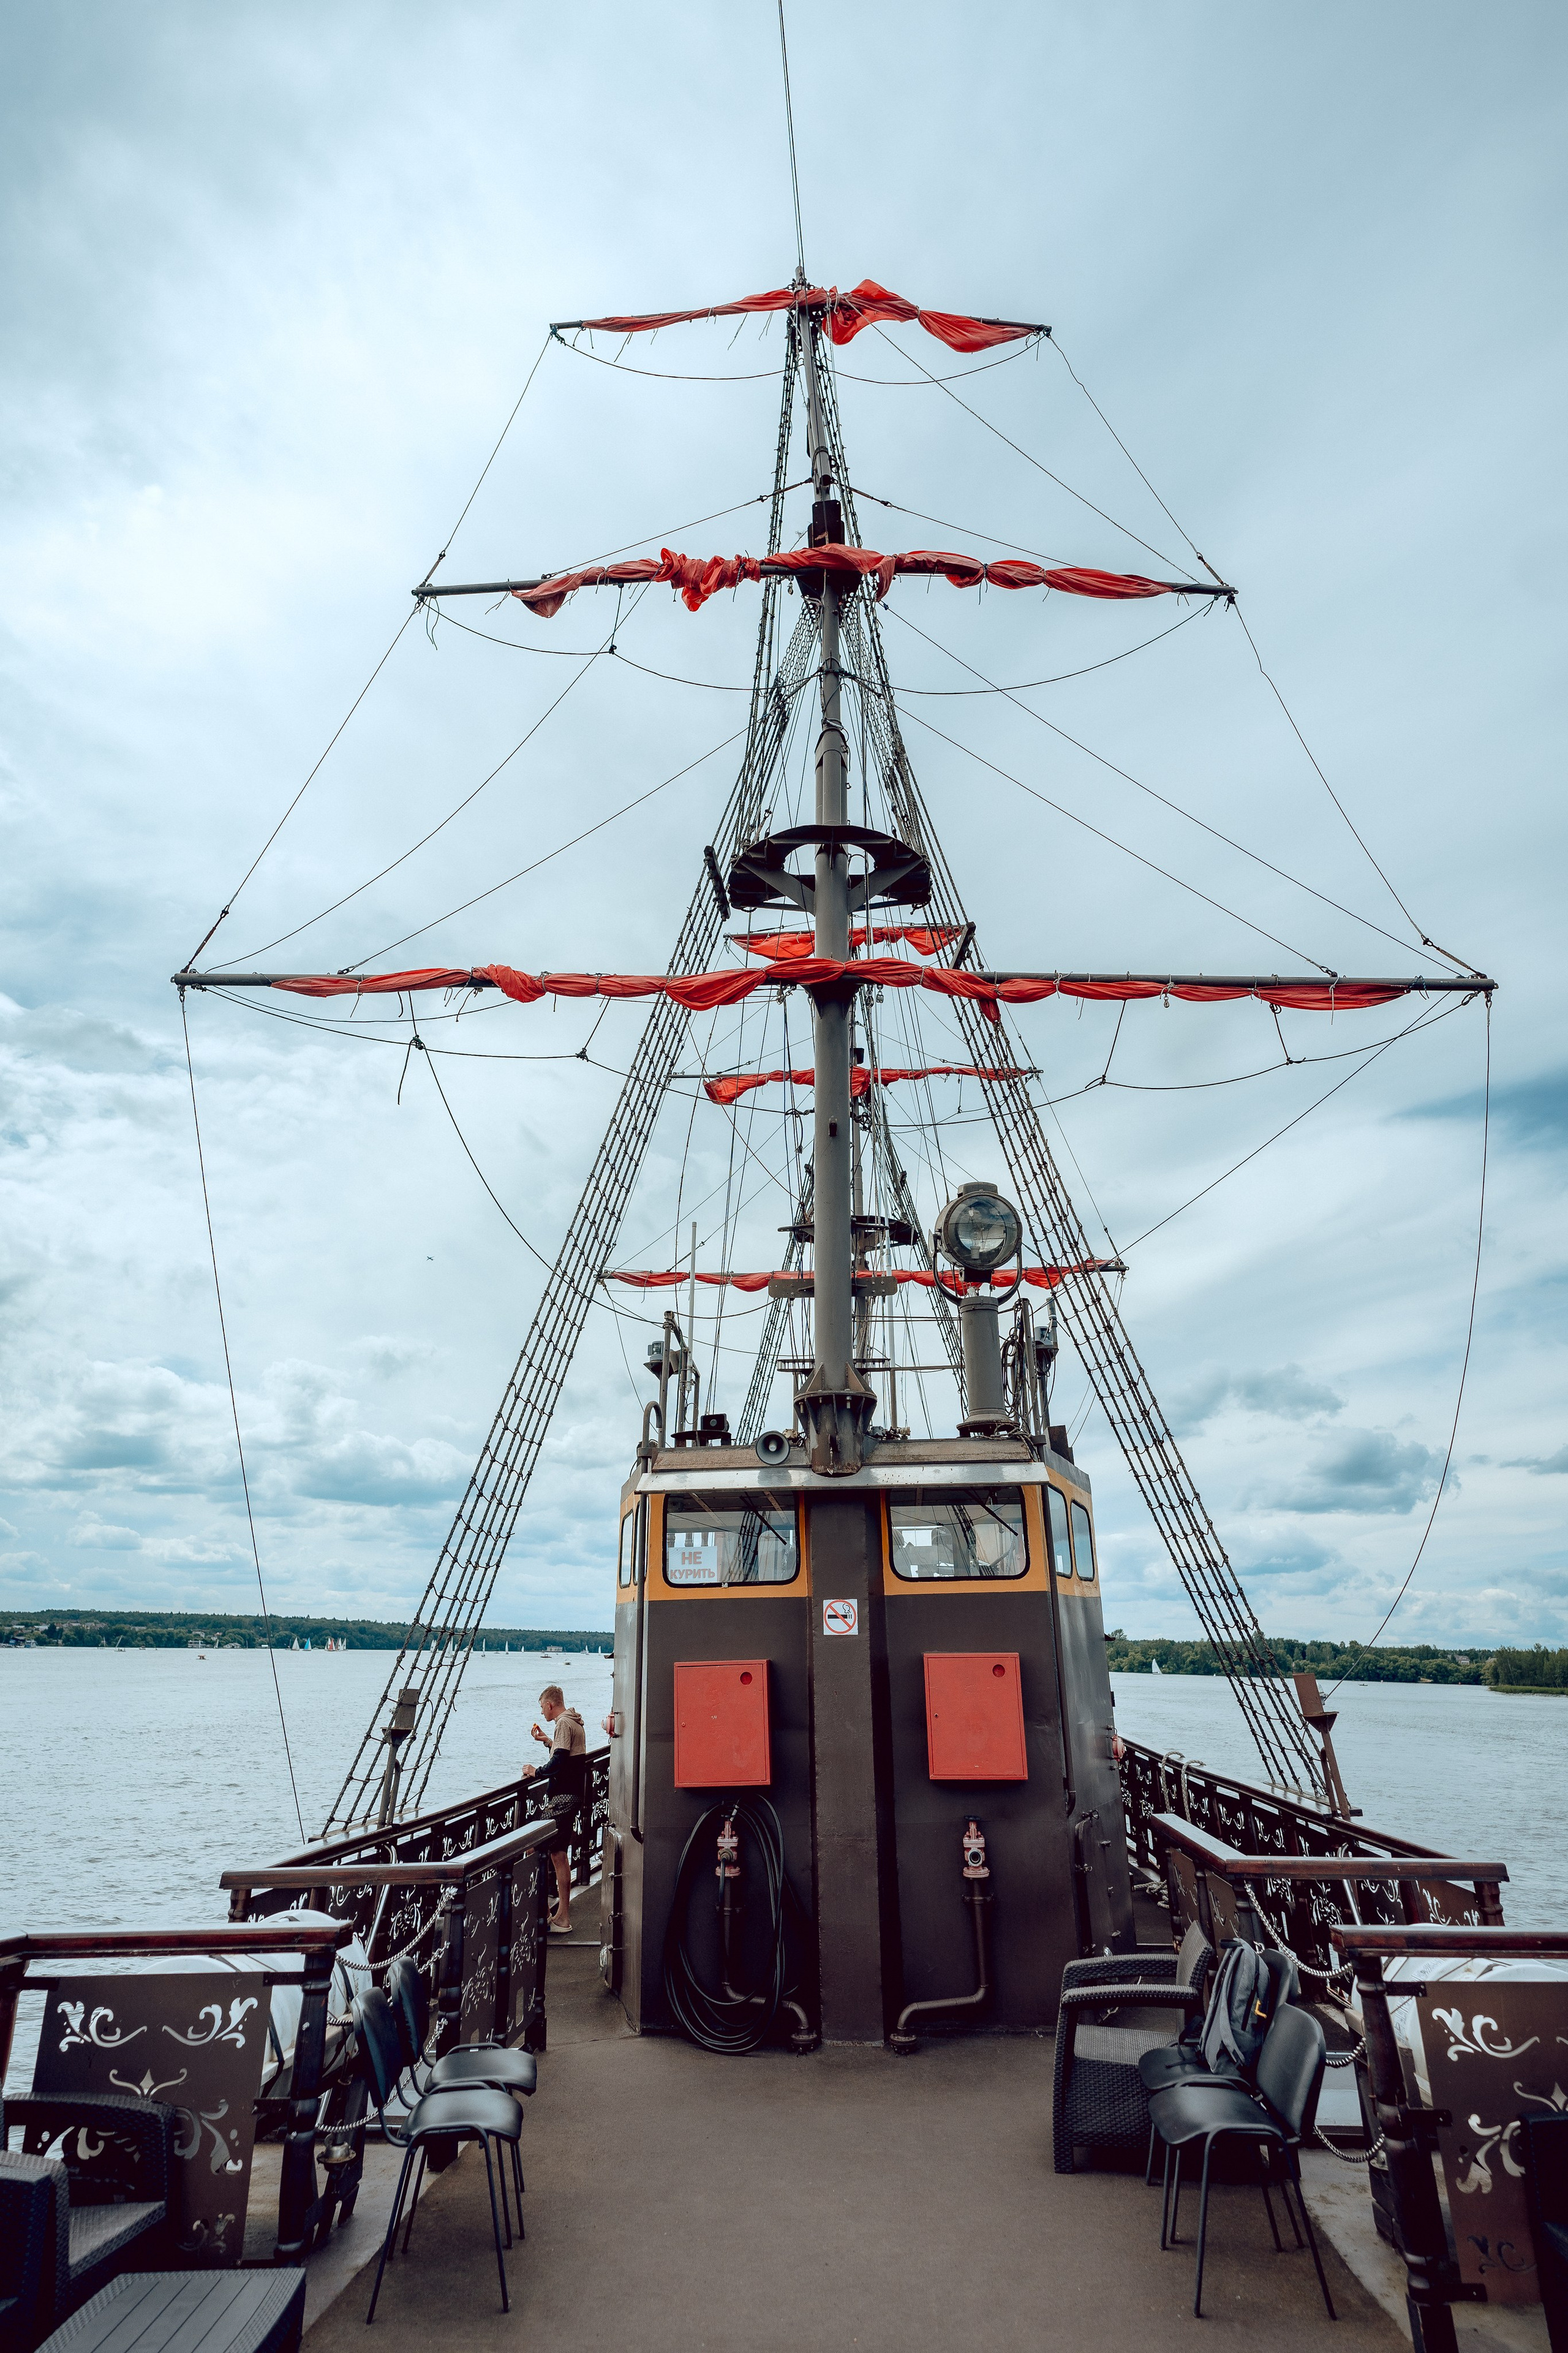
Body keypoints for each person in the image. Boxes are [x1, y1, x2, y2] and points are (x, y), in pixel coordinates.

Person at [522, 1684, 587, 1933]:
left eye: (542, 1708)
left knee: (532, 1847)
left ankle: (542, 1912)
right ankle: (561, 1917)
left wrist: (535, 1772)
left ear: (550, 1705)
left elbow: (559, 1762)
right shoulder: (575, 1722)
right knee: (559, 1854)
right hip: (573, 1797)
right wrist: (547, 1741)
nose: (542, 1714)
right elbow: (567, 1756)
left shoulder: (563, 1723)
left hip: (562, 1798)